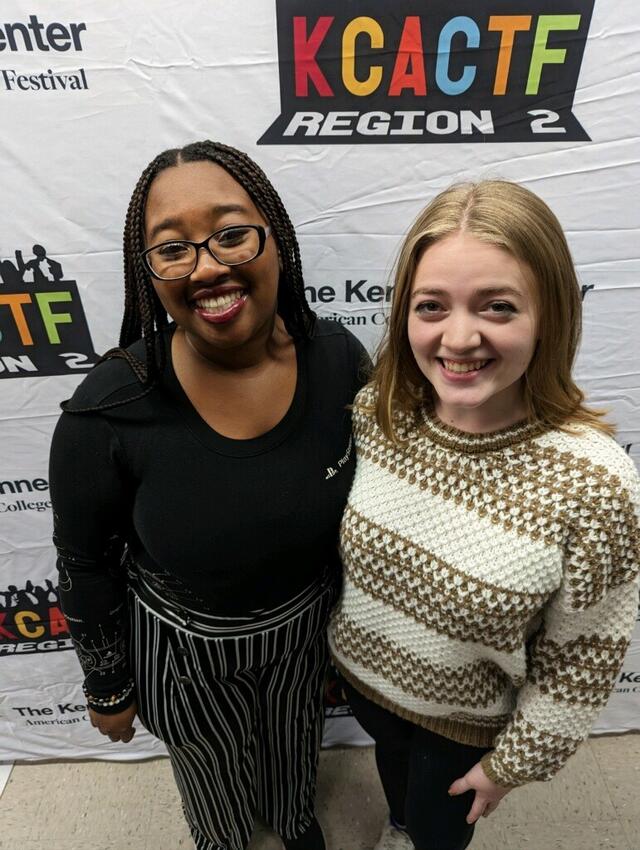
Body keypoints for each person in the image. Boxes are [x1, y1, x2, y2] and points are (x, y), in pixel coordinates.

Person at [49, 140, 369, 850]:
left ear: (275, 238)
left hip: (302, 633)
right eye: (173, 249)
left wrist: (347, 645)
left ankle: (291, 821)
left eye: (231, 234)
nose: (209, 266)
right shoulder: (107, 409)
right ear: (149, 272)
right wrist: (108, 686)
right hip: (183, 651)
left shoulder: (340, 361)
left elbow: (366, 518)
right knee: (213, 786)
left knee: (294, 758)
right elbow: (84, 561)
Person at [328, 181, 640, 850]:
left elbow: (583, 657)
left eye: (497, 306)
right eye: (431, 306)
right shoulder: (376, 419)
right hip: (366, 690)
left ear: (550, 314)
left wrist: (510, 766)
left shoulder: (595, 483)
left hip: (460, 725)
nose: (459, 337)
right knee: (400, 801)